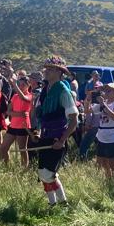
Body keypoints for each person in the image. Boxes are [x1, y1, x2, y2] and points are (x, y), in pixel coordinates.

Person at [34, 56, 78, 206]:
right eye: (46, 68)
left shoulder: (63, 91)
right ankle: (52, 204)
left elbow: (74, 120)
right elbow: (43, 115)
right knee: (43, 173)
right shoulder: (46, 90)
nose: (46, 71)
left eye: (51, 69)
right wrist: (38, 131)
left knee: (48, 174)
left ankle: (63, 203)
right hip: (45, 136)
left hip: (56, 138)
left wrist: (62, 140)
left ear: (60, 72)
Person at [0, 74, 32, 166]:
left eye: (23, 85)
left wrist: (15, 85)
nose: (21, 87)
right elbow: (8, 112)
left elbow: (24, 98)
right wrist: (19, 114)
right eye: (20, 84)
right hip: (13, 125)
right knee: (3, 148)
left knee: (22, 149)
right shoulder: (15, 96)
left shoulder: (30, 96)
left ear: (28, 85)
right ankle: (6, 166)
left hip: (23, 126)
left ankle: (24, 168)